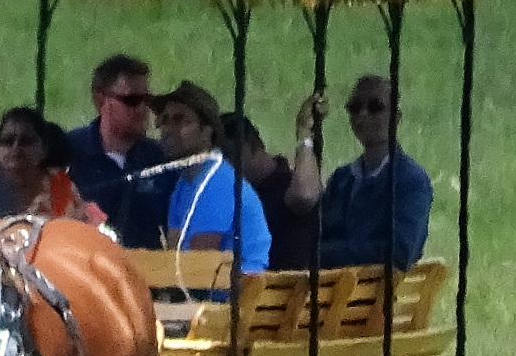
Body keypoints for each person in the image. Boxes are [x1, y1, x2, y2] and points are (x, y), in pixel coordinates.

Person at [152, 80, 270, 274]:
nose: (168, 128)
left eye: (181, 120)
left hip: (234, 298)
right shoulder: (184, 183)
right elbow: (173, 254)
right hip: (206, 293)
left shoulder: (217, 183)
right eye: (164, 120)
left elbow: (198, 266)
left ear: (207, 131)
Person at [317, 75, 432, 270]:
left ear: (396, 118)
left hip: (375, 297)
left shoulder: (411, 180)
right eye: (354, 108)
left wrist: (326, 252)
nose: (362, 115)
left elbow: (400, 252)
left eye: (375, 107)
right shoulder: (341, 178)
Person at [66, 54, 172, 248]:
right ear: (101, 102)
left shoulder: (160, 158)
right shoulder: (70, 152)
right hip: (86, 268)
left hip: (145, 272)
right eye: (131, 100)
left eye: (146, 100)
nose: (142, 109)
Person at [222, 92, 326, 271]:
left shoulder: (286, 184)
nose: (224, 167)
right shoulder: (230, 194)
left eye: (228, 156)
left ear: (253, 146)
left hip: (286, 290)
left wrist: (305, 136)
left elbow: (304, 195)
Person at [0, 107, 105, 224]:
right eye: (7, 141)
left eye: (26, 141)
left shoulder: (60, 185)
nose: (16, 149)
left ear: (43, 149)